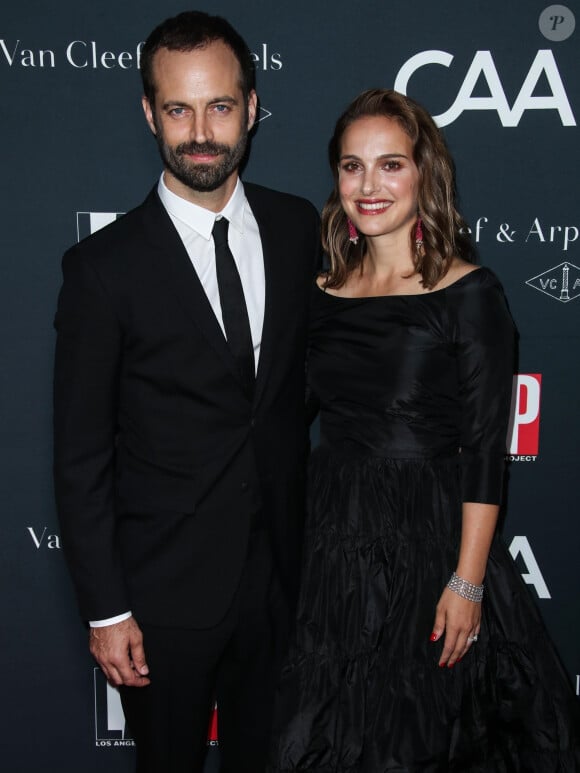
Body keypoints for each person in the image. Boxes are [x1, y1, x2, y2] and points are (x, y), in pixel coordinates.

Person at [269, 89, 580, 771]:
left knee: (418, 740)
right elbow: (285, 420)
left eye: (391, 165)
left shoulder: (471, 292)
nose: (369, 185)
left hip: (429, 541)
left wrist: (467, 582)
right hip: (334, 547)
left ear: (424, 174)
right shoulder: (320, 292)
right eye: (352, 166)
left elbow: (484, 448)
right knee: (320, 734)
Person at [53, 11, 319, 773]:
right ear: (149, 113)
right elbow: (79, 456)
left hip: (280, 583)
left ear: (253, 107)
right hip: (160, 599)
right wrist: (107, 609)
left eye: (220, 106)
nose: (201, 131)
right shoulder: (101, 268)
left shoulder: (297, 227)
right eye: (178, 108)